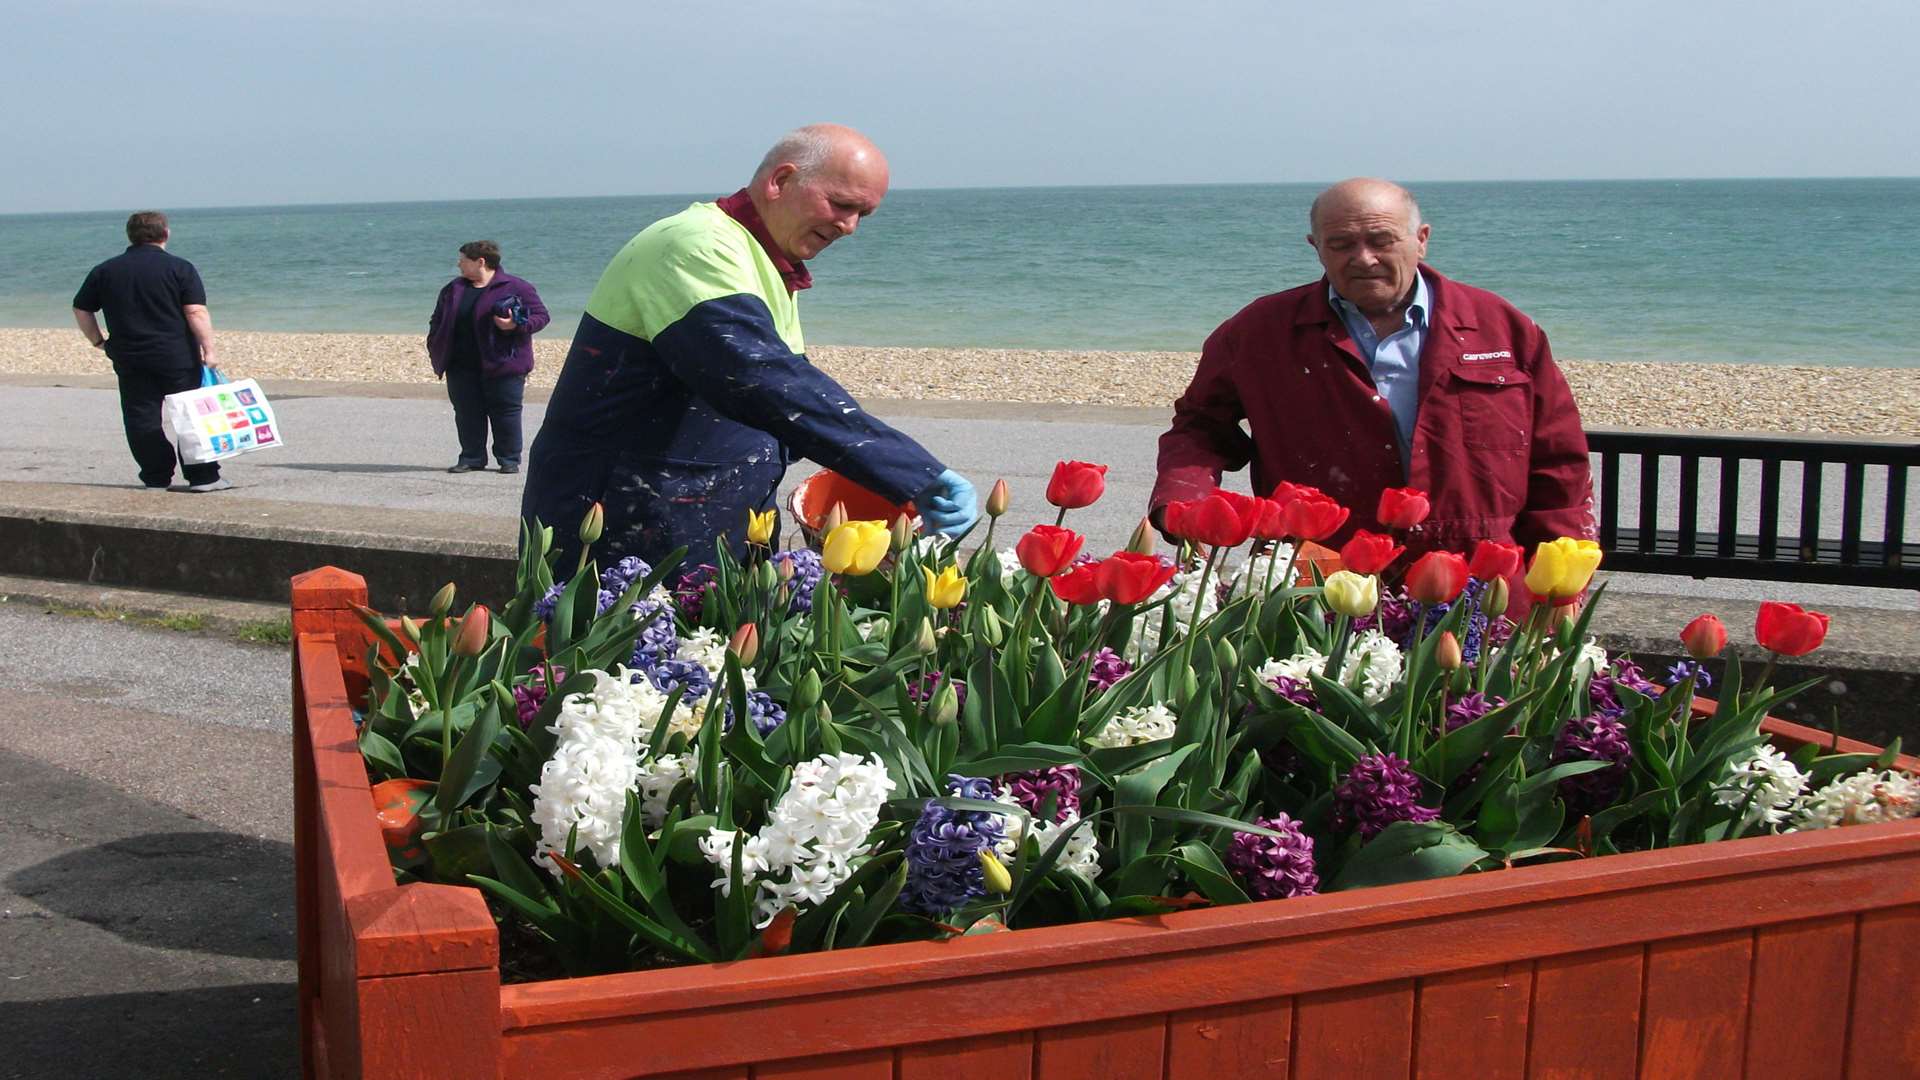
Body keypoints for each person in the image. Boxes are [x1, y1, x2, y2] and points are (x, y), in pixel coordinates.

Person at [522, 124, 978, 570]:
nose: (850, 227)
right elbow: (757, 379)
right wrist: (913, 473)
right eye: (841, 204)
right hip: (622, 532)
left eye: (863, 215)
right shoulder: (696, 244)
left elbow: (781, 394)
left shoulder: (763, 261)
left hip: (709, 525)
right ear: (781, 180)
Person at [1151, 177, 1593, 555]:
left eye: (1382, 241)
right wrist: (1185, 503)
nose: (1363, 259)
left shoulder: (1501, 328)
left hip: (1475, 574)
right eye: (1341, 244)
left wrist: (1561, 577)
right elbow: (1199, 428)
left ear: (1421, 239)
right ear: (1316, 248)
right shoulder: (1258, 333)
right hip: (1321, 576)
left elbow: (1558, 463)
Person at [72, 210, 231, 492]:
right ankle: (203, 477)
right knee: (189, 415)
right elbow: (195, 311)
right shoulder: (180, 268)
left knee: (140, 416)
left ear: (130, 236)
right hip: (177, 354)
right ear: (166, 233)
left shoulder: (106, 270)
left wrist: (98, 341)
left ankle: (156, 476)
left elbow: (82, 308)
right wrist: (209, 349)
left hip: (129, 355)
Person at [427, 240, 550, 474]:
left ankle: (509, 459)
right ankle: (471, 457)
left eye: (463, 260)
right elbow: (437, 319)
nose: (458, 264)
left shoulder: (516, 286)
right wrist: (434, 343)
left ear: (480, 262)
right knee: (466, 412)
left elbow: (542, 317)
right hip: (461, 365)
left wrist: (515, 325)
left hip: (504, 363)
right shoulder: (453, 289)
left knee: (506, 412)